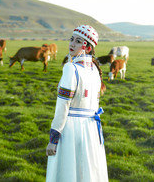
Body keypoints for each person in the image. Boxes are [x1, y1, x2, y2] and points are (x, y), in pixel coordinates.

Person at [46, 25, 108, 182]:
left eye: (78, 41)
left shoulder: (70, 68)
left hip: (71, 129)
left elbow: (62, 107)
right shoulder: (95, 69)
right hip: (91, 130)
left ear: (87, 47)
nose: (72, 44)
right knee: (86, 172)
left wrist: (53, 139)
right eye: (71, 39)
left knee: (67, 173)